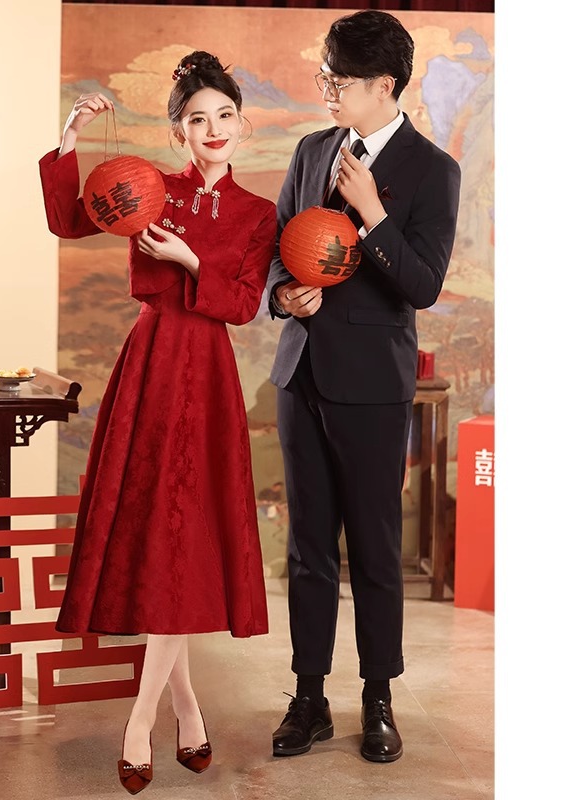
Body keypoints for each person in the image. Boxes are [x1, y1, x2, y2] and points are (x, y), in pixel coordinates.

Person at [39, 50, 275, 794]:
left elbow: (244, 304)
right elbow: (69, 221)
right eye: (197, 120)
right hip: (150, 365)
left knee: (185, 540)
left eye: (225, 115)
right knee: (156, 539)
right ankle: (187, 710)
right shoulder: (150, 188)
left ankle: (142, 720)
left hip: (207, 375)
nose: (213, 129)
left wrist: (191, 259)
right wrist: (70, 141)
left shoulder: (258, 214)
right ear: (178, 133)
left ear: (241, 123)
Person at [266, 10, 461, 764]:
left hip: (374, 385)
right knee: (308, 546)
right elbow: (279, 244)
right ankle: (308, 698)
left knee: (375, 549)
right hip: (301, 374)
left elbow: (424, 286)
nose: (327, 90)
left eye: (338, 81)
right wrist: (285, 295)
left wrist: (374, 213)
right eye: (324, 76)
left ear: (384, 85)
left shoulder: (432, 170)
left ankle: (378, 698)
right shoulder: (313, 149)